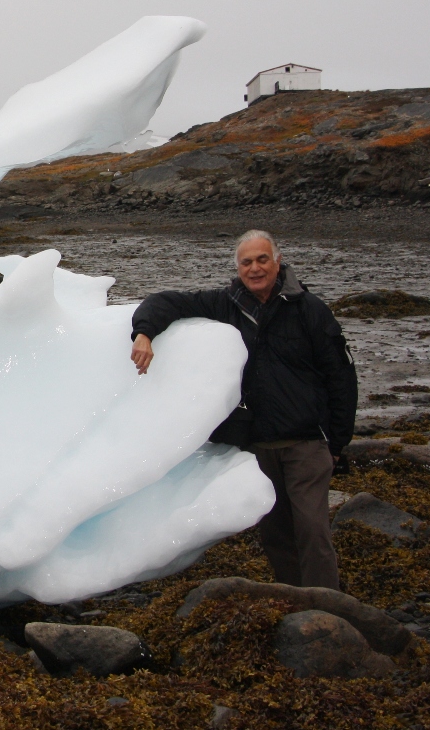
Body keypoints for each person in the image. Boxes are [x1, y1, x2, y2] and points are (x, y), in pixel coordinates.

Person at [129, 230, 357, 590]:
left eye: (262, 259)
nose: (255, 268)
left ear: (277, 261)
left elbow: (341, 376)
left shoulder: (308, 309)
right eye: (246, 262)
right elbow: (166, 301)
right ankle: (294, 603)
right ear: (237, 268)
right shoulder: (225, 305)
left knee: (313, 531)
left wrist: (337, 442)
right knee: (276, 535)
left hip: (307, 444)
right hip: (258, 445)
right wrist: (143, 333)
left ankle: (327, 610)